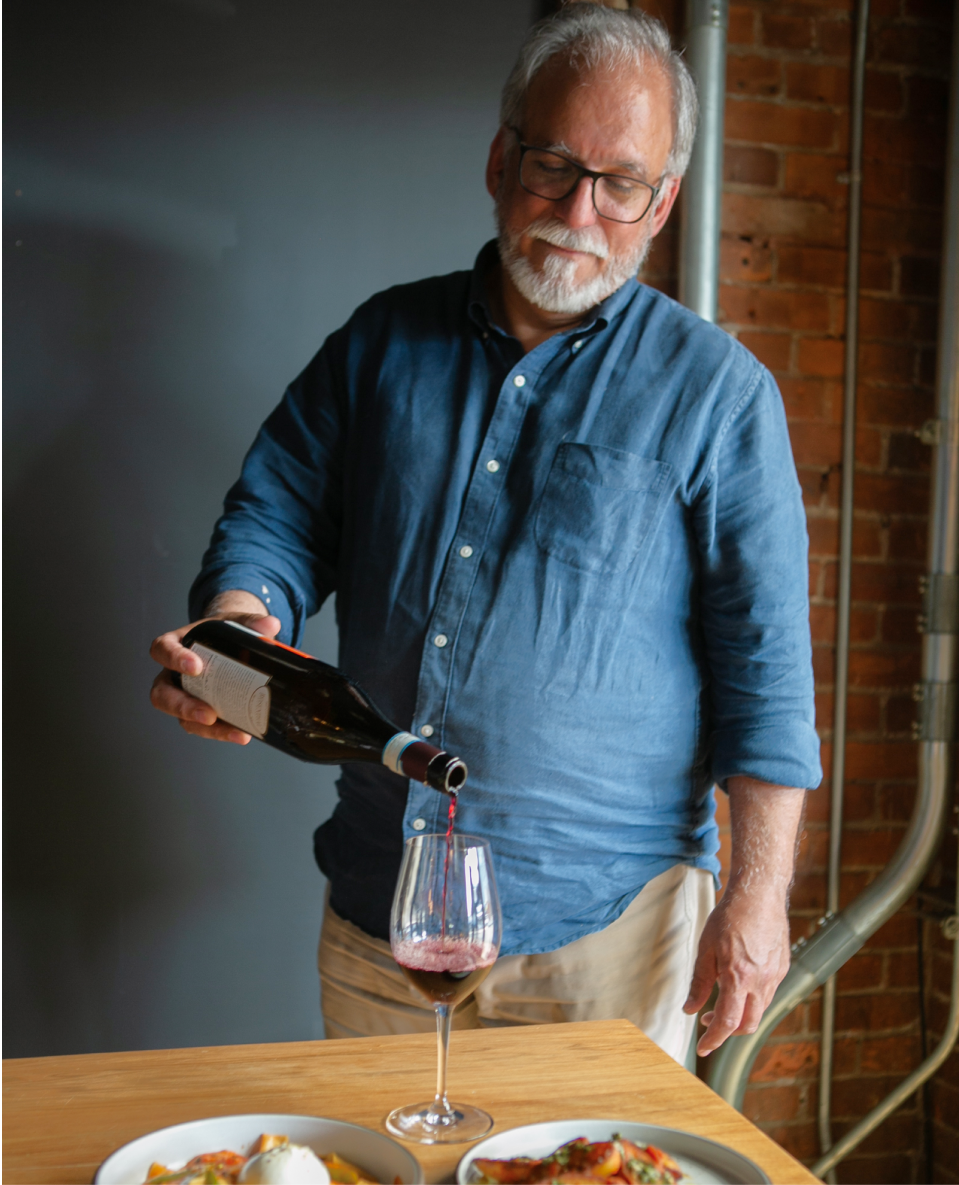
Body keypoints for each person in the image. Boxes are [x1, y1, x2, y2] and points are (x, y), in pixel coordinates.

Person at [149, 4, 820, 1063]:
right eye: (554, 164)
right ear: (501, 156)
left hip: (611, 934)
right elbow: (273, 517)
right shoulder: (379, 342)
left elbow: (766, 672)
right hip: (386, 917)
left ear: (663, 202)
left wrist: (755, 902)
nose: (581, 211)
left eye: (621, 184)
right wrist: (238, 626)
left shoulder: (719, 396)